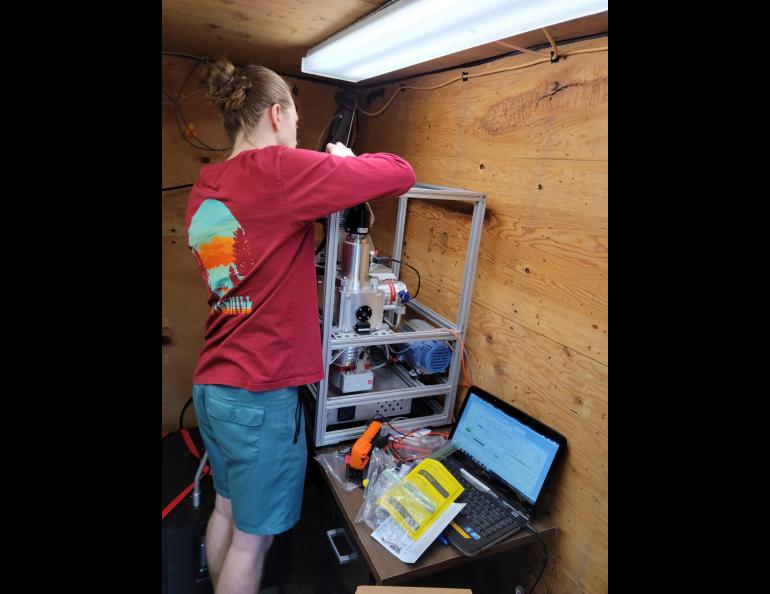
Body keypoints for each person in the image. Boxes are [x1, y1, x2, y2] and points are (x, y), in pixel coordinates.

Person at [185, 59, 415, 594]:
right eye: (293, 124)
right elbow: (399, 171)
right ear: (276, 113)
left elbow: (241, 274)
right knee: (252, 541)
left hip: (214, 384)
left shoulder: (207, 186)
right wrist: (340, 160)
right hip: (259, 395)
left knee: (225, 510)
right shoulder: (278, 170)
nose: (295, 136)